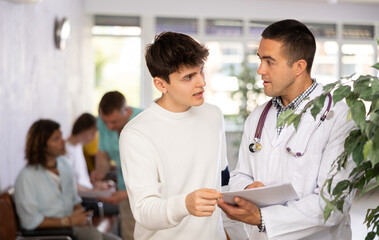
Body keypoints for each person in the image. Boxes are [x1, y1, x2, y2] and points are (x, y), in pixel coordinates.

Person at [217, 19, 356, 240]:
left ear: (299, 66)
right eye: (260, 60)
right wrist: (247, 189)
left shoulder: (339, 116)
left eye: (269, 61)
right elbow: (240, 173)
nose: (260, 70)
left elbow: (333, 203)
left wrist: (263, 218)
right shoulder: (258, 116)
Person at [119, 31, 228, 240]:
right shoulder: (136, 134)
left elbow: (223, 180)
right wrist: (184, 205)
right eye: (188, 77)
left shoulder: (214, 116)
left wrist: (234, 232)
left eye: (201, 71)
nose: (201, 82)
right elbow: (143, 210)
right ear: (161, 85)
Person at [14, 119, 121, 240]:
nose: (63, 141)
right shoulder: (27, 177)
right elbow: (31, 221)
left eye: (61, 136)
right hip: (50, 234)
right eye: (56, 139)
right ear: (42, 146)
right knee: (94, 236)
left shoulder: (64, 165)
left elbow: (74, 200)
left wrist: (81, 216)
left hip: (72, 228)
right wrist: (68, 221)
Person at [92, 91, 143, 240]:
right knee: (129, 234)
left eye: (113, 122)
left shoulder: (144, 120)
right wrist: (99, 174)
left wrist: (126, 193)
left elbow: (156, 171)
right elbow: (103, 154)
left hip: (148, 190)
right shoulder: (102, 123)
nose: (108, 127)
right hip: (123, 186)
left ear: (126, 111)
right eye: (105, 121)